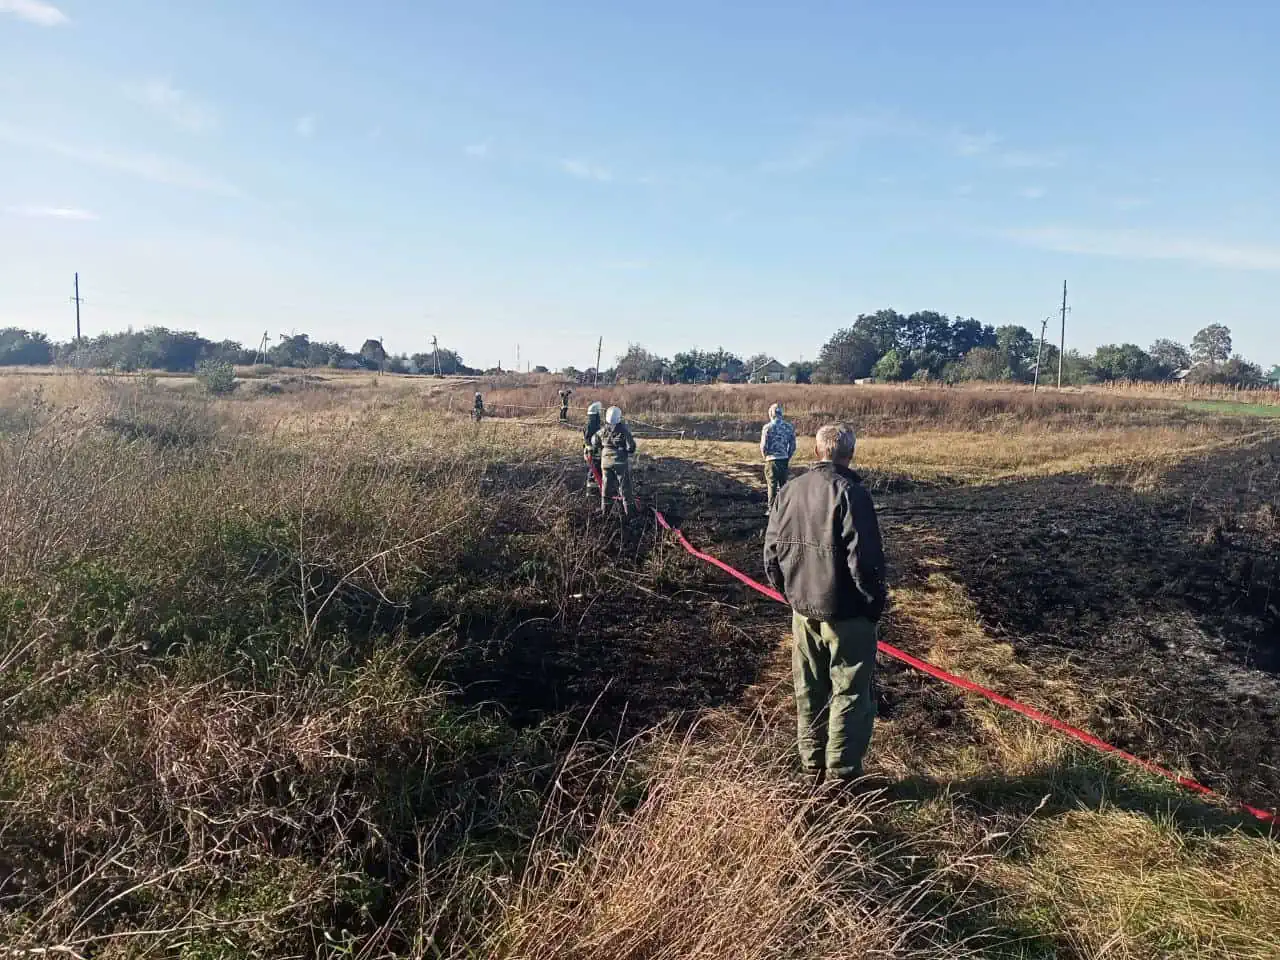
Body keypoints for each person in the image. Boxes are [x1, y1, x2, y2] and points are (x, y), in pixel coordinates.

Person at [763, 423, 886, 786]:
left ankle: (811, 768)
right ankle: (841, 777)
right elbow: (865, 562)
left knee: (809, 690)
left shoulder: (788, 491)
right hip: (847, 613)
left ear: (816, 451)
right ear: (851, 453)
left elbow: (771, 553)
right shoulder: (853, 493)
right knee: (849, 692)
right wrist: (872, 604)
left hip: (803, 612)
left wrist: (791, 595)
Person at [590, 405, 637, 517]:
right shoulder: (623, 431)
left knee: (606, 486)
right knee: (625, 487)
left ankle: (605, 512)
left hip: (605, 462)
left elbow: (594, 442)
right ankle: (629, 513)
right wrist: (625, 451)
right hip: (620, 463)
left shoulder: (602, 431)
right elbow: (631, 447)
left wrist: (603, 447)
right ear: (619, 417)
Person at [760, 402, 797, 513]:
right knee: (783, 486)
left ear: (771, 414)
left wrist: (765, 456)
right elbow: (793, 445)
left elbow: (763, 445)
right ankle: (784, 509)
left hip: (771, 460)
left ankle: (771, 510)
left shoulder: (767, 427)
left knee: (772, 485)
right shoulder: (789, 427)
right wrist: (787, 456)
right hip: (784, 459)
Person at [583, 401, 603, 491]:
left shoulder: (590, 424)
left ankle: (593, 489)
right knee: (595, 469)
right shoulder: (593, 426)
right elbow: (592, 440)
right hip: (594, 452)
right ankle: (593, 490)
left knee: (594, 469)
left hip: (591, 452)